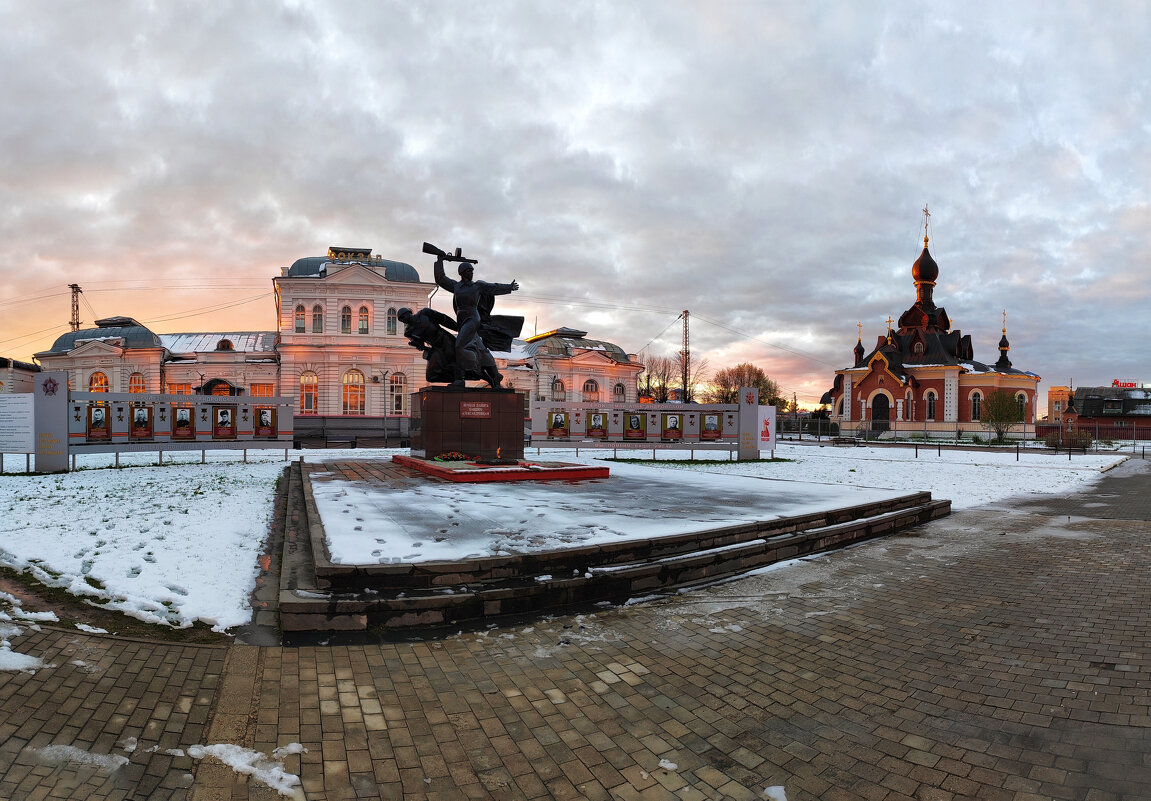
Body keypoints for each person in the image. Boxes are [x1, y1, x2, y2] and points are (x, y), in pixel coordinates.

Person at [431, 249, 519, 388]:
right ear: (462, 273)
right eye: (469, 271)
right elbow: (440, 278)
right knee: (479, 348)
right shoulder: (456, 286)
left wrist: (509, 287)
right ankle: (495, 375)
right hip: (461, 320)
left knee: (459, 345)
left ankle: (460, 379)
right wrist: (439, 261)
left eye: (472, 271)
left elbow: (493, 287)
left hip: (473, 319)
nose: (471, 273)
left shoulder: (477, 286)